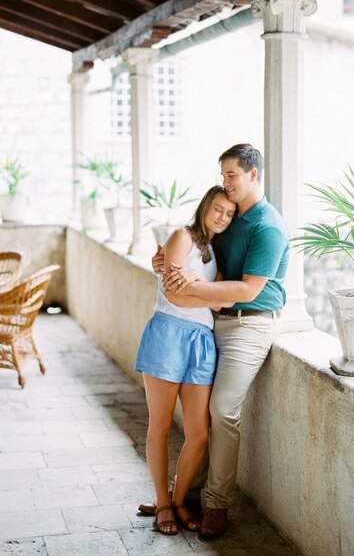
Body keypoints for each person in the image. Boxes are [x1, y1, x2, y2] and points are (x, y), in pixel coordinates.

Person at [141, 144, 289, 538]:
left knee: (221, 411)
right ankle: (173, 498)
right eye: (223, 176)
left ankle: (216, 504)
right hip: (209, 325)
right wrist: (164, 263)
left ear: (253, 175)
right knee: (192, 419)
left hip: (249, 323)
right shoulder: (232, 215)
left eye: (232, 175)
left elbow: (245, 290)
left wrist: (193, 285)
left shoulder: (267, 226)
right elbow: (192, 252)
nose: (226, 184)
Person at [134, 185, 236, 536]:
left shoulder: (216, 253)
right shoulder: (182, 237)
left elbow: (219, 300)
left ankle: (179, 500)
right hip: (167, 335)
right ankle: (163, 503)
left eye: (229, 213)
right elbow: (174, 294)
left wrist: (208, 295)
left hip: (202, 342)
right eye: (218, 209)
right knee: (160, 426)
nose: (222, 217)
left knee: (199, 433)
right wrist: (209, 298)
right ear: (206, 206)